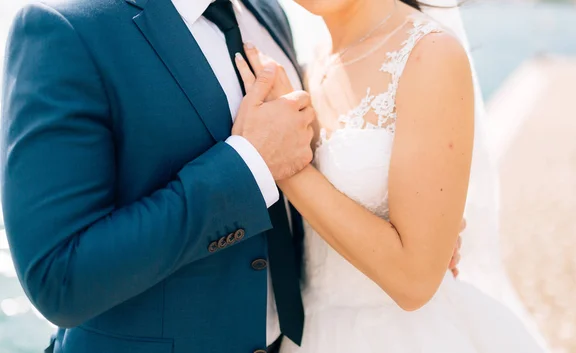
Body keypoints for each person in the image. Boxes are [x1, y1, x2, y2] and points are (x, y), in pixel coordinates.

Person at [0, 0, 463, 352]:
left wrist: (413, 212)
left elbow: (309, 150)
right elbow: (58, 277)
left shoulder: (270, 11)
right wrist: (249, 164)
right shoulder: (64, 26)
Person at [230, 0, 548, 352]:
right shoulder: (303, 64)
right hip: (308, 333)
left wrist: (284, 166)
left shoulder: (428, 53)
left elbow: (414, 282)